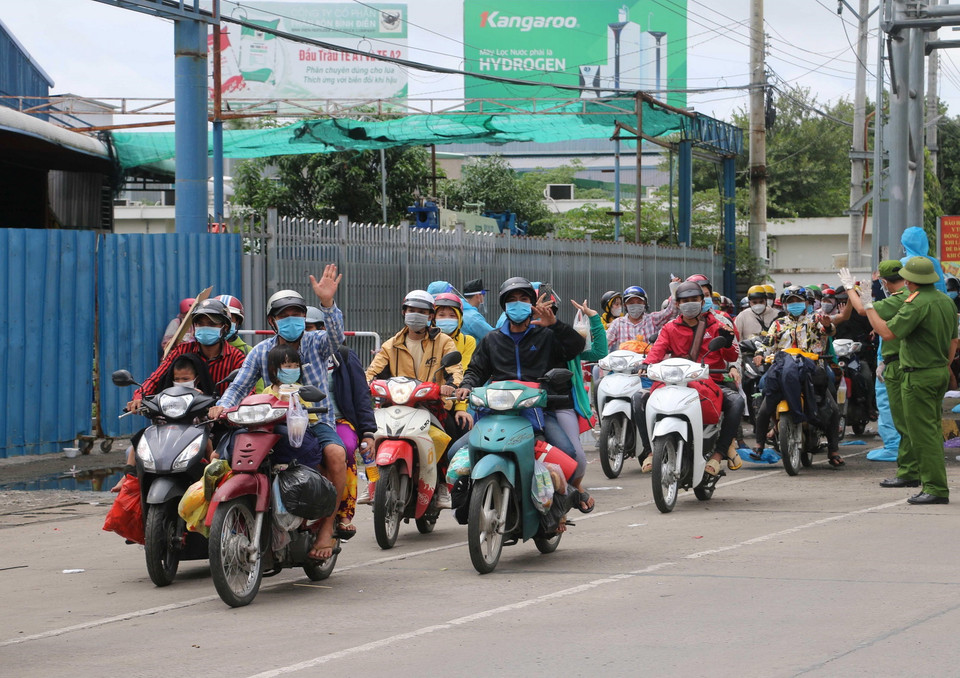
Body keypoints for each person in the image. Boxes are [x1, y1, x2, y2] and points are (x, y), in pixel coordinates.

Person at [210, 265, 347, 560]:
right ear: (272, 321)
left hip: (314, 420)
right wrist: (223, 405)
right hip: (269, 422)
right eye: (284, 316)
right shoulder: (260, 351)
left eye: (297, 314)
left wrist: (327, 304)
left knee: (336, 455)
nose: (292, 320)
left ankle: (327, 526)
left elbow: (337, 338)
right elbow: (239, 385)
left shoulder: (316, 343)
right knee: (224, 456)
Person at [452, 277, 586, 502]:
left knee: (567, 453)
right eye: (511, 300)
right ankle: (465, 500)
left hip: (538, 411)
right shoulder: (491, 339)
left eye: (523, 299)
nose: (517, 304)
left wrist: (555, 325)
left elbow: (575, 347)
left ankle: (558, 507)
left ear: (532, 304)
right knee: (455, 451)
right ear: (504, 306)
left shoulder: (547, 335)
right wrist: (466, 386)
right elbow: (476, 370)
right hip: (497, 412)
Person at [841, 258, 957, 504]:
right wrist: (943, 366)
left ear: (912, 280)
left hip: (918, 374)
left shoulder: (915, 304)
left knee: (922, 434)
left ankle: (936, 488)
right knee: (931, 430)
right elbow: (954, 342)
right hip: (937, 371)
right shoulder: (945, 301)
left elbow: (887, 332)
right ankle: (930, 483)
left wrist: (870, 306)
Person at [364, 289, 464, 508]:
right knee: (371, 434)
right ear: (404, 312)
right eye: (412, 310)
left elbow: (456, 370)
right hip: (396, 403)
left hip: (432, 405)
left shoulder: (444, 342)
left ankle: (440, 487)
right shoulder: (391, 345)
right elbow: (372, 372)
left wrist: (450, 385)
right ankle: (372, 481)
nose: (416, 315)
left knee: (445, 435)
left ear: (430, 316)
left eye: (422, 311)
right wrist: (367, 383)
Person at [636, 281, 743, 475]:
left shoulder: (718, 326)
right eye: (685, 300)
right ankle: (650, 452)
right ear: (677, 304)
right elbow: (657, 350)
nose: (690, 304)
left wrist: (727, 343)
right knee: (639, 399)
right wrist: (646, 364)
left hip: (712, 381)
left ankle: (719, 454)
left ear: (702, 301)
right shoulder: (669, 328)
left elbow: (732, 357)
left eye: (694, 299)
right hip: (676, 381)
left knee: (736, 401)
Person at [752, 285, 842, 466]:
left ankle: (833, 450)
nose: (794, 304)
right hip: (782, 369)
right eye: (790, 301)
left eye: (798, 301)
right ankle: (760, 442)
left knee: (832, 409)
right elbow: (767, 343)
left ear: (807, 303)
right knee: (763, 394)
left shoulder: (816, 319)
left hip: (812, 369)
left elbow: (829, 330)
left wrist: (827, 325)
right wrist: (760, 354)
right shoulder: (778, 324)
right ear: (784, 305)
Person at [130, 298, 246, 411]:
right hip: (180, 417)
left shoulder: (236, 357)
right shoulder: (182, 351)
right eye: (200, 324)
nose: (205, 327)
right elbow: (156, 377)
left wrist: (227, 407)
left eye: (211, 324)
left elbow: (246, 389)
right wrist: (140, 395)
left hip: (220, 422)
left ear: (224, 328)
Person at [846, 261, 906, 464]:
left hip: (894, 362)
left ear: (883, 281)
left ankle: (895, 448)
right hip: (908, 360)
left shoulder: (897, 300)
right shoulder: (929, 299)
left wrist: (849, 288)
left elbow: (863, 311)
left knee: (890, 407)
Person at [553, 297, 607, 510]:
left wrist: (593, 318)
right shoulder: (514, 340)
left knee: (577, 458)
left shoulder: (566, 342)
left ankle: (574, 491)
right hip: (525, 407)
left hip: (561, 406)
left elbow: (599, 352)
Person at [433, 292, 477, 441]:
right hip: (426, 399)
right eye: (441, 315)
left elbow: (463, 374)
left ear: (459, 319)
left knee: (463, 426)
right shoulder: (426, 340)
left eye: (452, 316)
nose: (446, 319)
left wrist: (460, 408)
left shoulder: (467, 341)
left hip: (453, 399)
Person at [605, 283, 678, 351]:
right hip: (624, 363)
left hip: (648, 362)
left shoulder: (653, 319)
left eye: (639, 302)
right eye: (631, 303)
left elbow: (671, 312)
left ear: (645, 304)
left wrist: (674, 289)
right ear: (625, 305)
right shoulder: (617, 323)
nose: (635, 305)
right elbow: (605, 345)